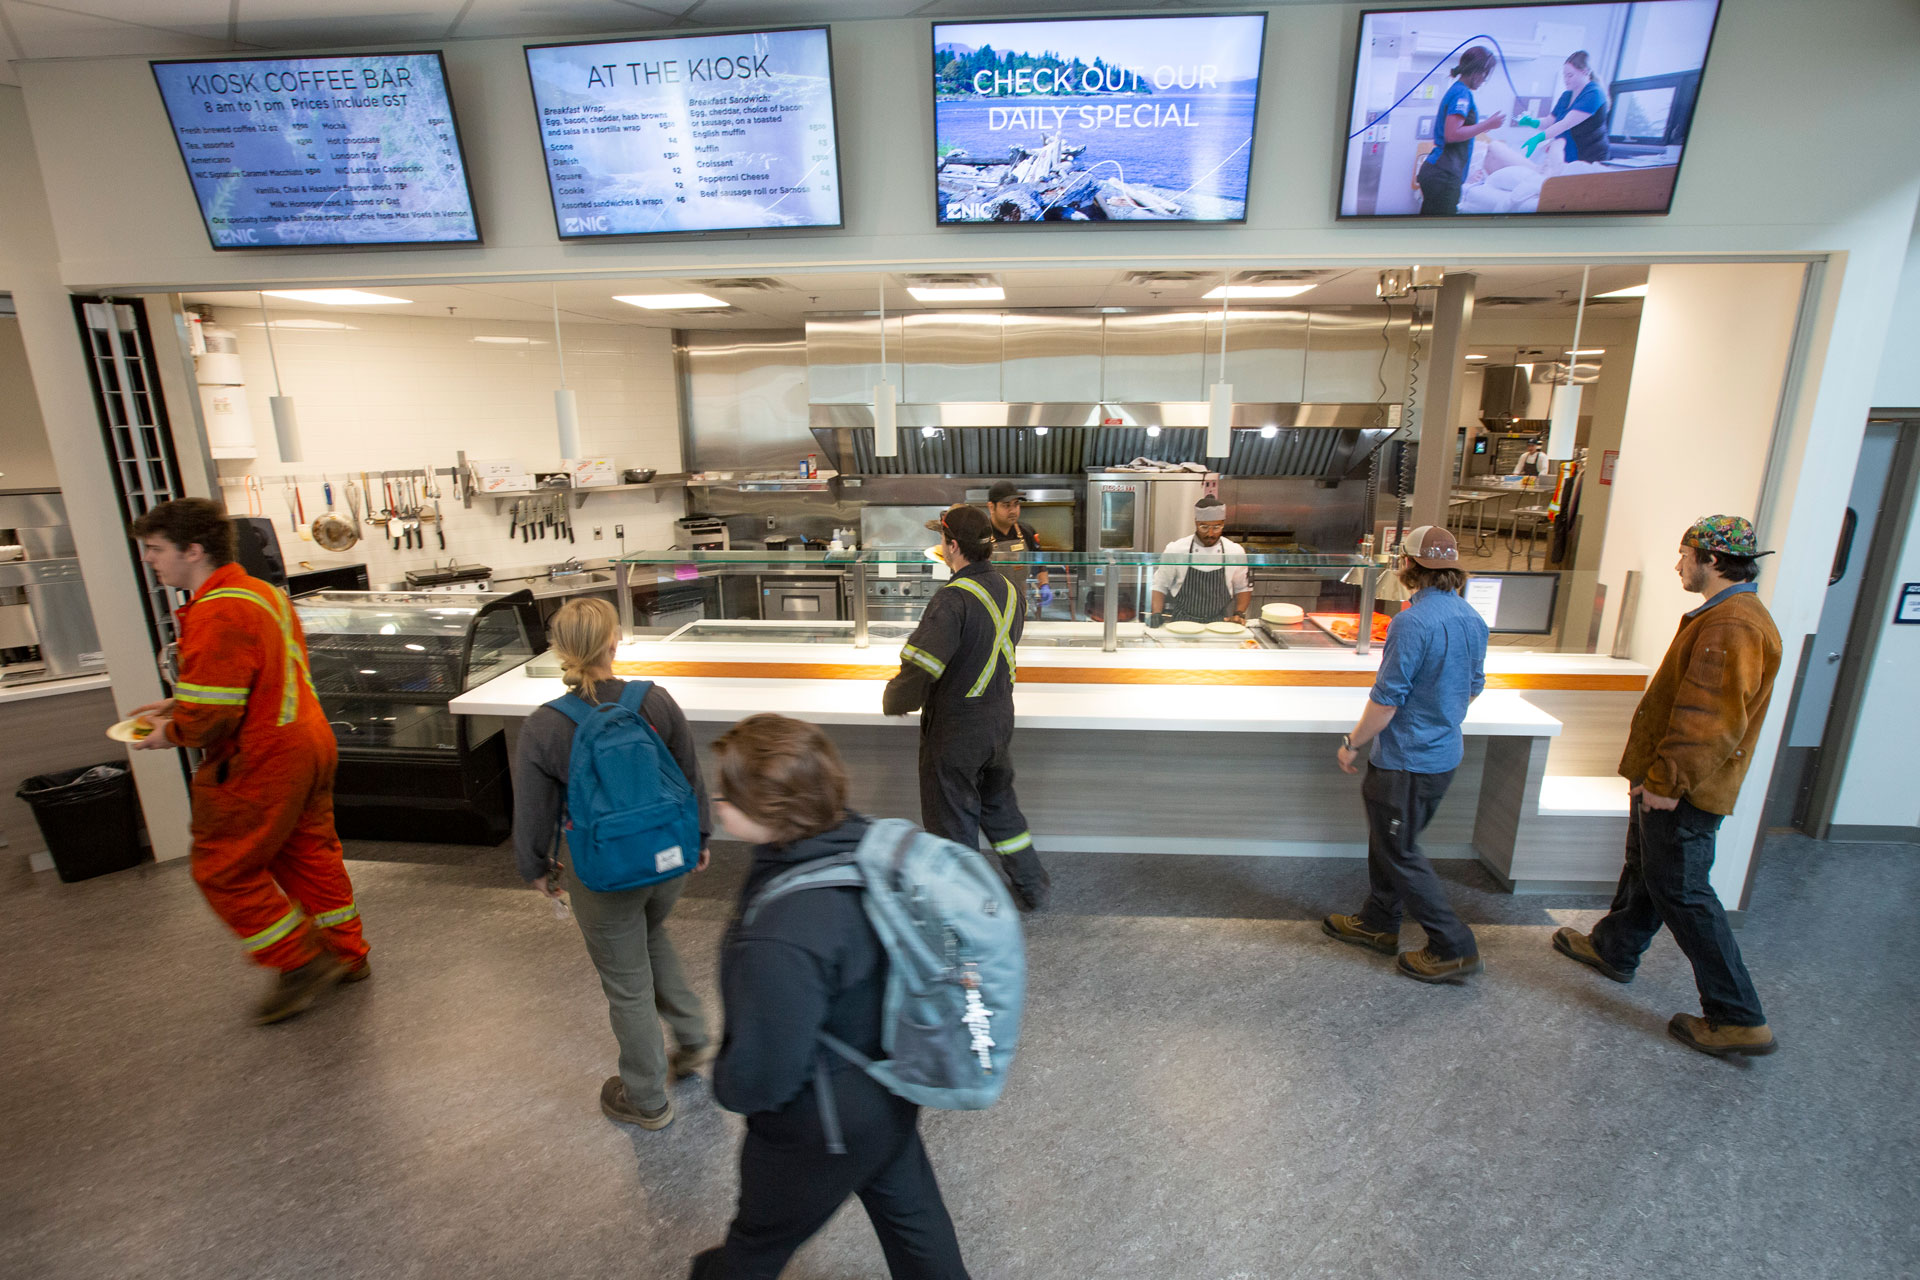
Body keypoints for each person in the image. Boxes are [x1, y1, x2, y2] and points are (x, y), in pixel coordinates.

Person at [691, 713, 971, 1280]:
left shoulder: (786, 931)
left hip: (820, 1123)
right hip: (888, 1084)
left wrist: (728, 1084)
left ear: (768, 810)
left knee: (755, 1246)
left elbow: (769, 1066)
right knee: (915, 1225)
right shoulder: (861, 846)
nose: (716, 801)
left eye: (726, 793)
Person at [126, 498, 370, 1024]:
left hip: (262, 757)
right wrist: (178, 703)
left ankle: (300, 962)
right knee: (308, 853)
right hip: (307, 740)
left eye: (155, 549)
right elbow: (258, 673)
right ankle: (347, 956)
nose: (150, 560)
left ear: (193, 550)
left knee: (224, 868)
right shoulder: (258, 592)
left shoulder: (216, 609)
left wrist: (170, 730)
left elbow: (212, 715)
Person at [1553, 516, 1782, 1058]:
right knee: (1647, 865)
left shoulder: (1732, 626)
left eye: (1685, 554)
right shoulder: (1725, 615)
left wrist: (1667, 782)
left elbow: (1709, 718)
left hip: (1684, 787)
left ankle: (1737, 1016)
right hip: (1668, 779)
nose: (1678, 564)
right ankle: (1615, 948)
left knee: (1683, 890)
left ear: (1712, 560)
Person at [511, 597, 714, 1129]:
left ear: (559, 650)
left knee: (626, 981)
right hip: (668, 860)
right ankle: (693, 1040)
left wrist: (534, 866)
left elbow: (535, 811)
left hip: (603, 872)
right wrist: (701, 837)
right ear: (613, 642)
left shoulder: (546, 725)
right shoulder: (657, 701)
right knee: (650, 934)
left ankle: (646, 1098)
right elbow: (690, 776)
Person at [1324, 525, 1487, 984]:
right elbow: (1473, 685)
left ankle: (1453, 946)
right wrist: (1440, 716)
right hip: (1442, 756)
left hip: (1406, 760)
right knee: (1389, 839)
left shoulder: (1411, 622)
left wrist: (1352, 742)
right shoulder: (1471, 618)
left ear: (1410, 567)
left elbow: (1387, 699)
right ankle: (1378, 922)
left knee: (1399, 850)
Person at [884, 505, 1050, 911]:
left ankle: (965, 907)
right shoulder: (1012, 591)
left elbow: (923, 666)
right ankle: (1032, 884)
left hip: (958, 729)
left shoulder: (952, 599)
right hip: (997, 721)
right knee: (999, 808)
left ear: (952, 545)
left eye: (943, 540)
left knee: (952, 822)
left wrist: (894, 699)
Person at [1417, 45, 1506, 216]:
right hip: (1443, 175)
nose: (1483, 80)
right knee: (1439, 233)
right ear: (1476, 72)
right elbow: (1452, 134)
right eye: (1484, 75)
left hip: (1441, 172)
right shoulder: (1462, 94)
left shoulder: (1458, 90)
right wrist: (1488, 125)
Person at [1149, 495, 1251, 626]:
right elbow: (1160, 585)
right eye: (1204, 527)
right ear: (1196, 522)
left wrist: (1239, 613)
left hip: (1219, 623)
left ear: (1223, 524)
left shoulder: (1234, 551)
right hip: (1182, 622)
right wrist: (1156, 613)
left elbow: (1242, 587)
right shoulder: (1176, 549)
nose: (1210, 533)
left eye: (1216, 527)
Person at [1524, 51, 1611, 165]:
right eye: (1564, 75)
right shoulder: (1567, 96)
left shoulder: (1594, 94)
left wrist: (1538, 139)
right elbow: (1549, 122)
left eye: (1570, 75)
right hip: (1568, 158)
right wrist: (1531, 122)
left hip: (1589, 159)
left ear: (1585, 72)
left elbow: (1565, 124)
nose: (1566, 79)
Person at [985, 480, 1052, 617]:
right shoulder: (981, 534)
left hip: (1020, 604)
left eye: (1016, 505)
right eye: (1006, 505)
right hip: (988, 607)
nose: (1013, 510)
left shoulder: (1026, 531)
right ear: (991, 507)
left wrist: (1044, 585)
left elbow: (1040, 564)